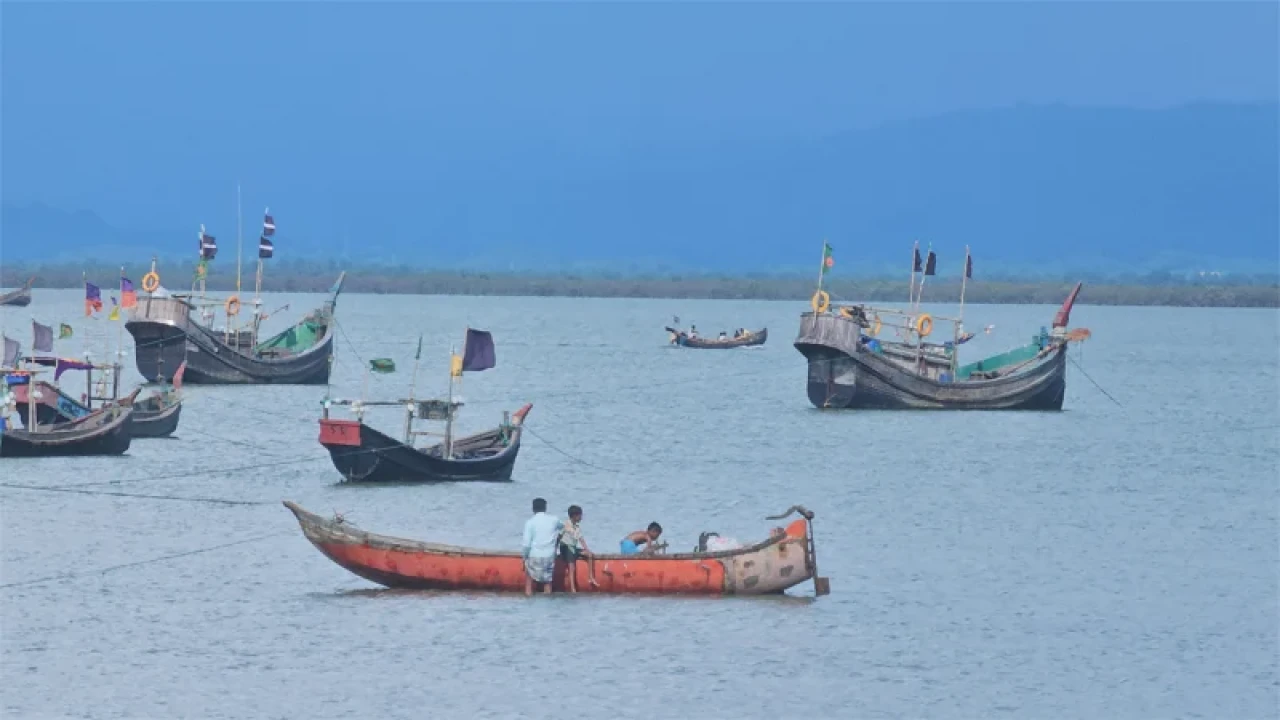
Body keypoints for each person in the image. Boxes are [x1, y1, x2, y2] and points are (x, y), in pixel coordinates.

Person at [522, 497, 561, 596]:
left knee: (529, 578)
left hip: (535, 555)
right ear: (545, 508)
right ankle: (547, 598)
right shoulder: (554, 520)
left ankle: (528, 595)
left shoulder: (530, 522)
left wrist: (524, 557)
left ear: (533, 509)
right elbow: (564, 527)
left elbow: (526, 545)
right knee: (547, 581)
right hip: (549, 555)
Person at [559, 505, 598, 592]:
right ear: (574, 516)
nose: (581, 517)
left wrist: (587, 549)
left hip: (573, 548)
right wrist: (555, 550)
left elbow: (581, 539)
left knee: (589, 555)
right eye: (580, 515)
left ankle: (591, 577)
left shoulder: (577, 527)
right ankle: (573, 588)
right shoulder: (565, 525)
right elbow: (559, 537)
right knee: (571, 567)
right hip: (566, 548)